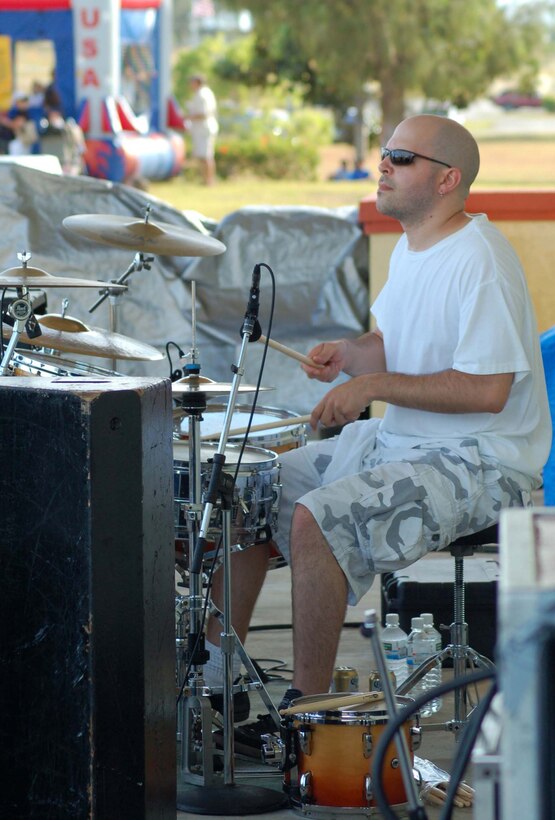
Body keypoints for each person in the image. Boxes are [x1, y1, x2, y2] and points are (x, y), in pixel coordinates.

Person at [203, 113, 551, 744]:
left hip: (482, 461)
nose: (383, 163)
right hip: (405, 443)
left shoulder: (481, 258)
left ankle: (305, 723)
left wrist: (370, 387)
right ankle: (215, 679)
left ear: (447, 180)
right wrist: (350, 355)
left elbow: (486, 389)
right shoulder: (414, 247)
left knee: (317, 518)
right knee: (246, 486)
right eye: (384, 153)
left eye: (401, 156)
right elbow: (393, 344)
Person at [185, 73, 219, 186]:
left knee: (206, 156)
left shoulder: (202, 94)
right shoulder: (204, 93)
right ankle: (206, 179)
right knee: (203, 155)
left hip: (204, 128)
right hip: (202, 128)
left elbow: (203, 114)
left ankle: (209, 180)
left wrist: (187, 117)